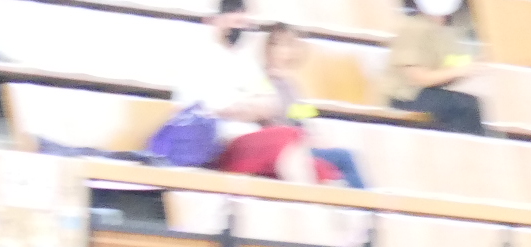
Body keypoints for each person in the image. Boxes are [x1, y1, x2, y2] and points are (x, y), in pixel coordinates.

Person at [169, 18, 366, 187]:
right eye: (276, 44)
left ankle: (362, 205)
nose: (282, 51)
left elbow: (306, 120)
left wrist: (315, 136)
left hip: (301, 143)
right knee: (344, 158)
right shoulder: (260, 79)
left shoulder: (292, 86)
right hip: (281, 146)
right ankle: (366, 206)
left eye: (287, 45)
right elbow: (262, 117)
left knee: (342, 157)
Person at [385, 0, 486, 136]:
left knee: (466, 105)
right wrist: (459, 71)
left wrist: (469, 68)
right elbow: (418, 78)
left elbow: (441, 74)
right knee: (465, 106)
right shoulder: (413, 28)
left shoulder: (440, 32)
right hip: (402, 96)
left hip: (421, 93)